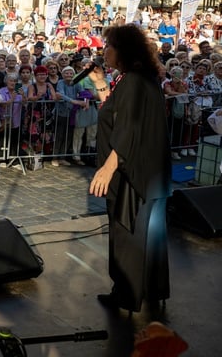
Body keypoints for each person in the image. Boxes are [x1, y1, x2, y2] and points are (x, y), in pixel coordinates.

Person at [88, 23, 171, 313]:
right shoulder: (138, 80)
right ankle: (151, 289)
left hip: (132, 175)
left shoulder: (134, 82)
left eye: (108, 46)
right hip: (151, 175)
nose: (104, 51)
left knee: (128, 235)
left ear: (122, 50)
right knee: (151, 236)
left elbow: (129, 131)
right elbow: (115, 115)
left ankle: (127, 293)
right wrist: (100, 82)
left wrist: (107, 168)